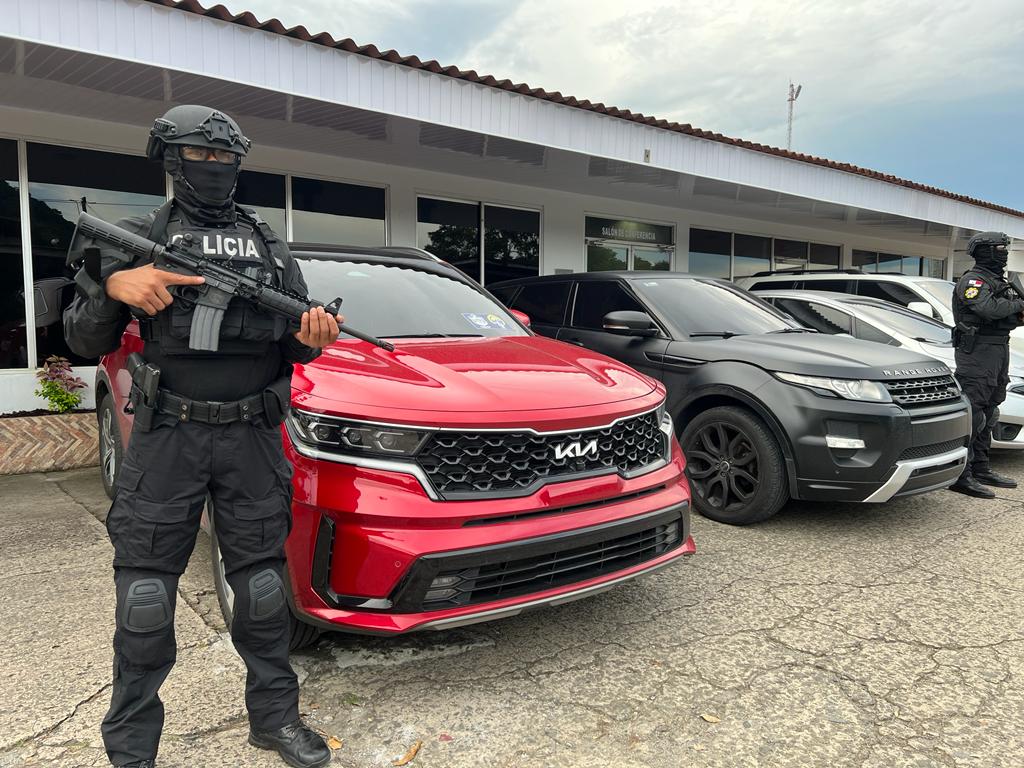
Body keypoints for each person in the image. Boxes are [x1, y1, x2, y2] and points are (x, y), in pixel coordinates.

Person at [64, 105, 339, 768]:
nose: (213, 167)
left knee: (264, 591)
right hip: (169, 436)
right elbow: (83, 339)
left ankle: (275, 720)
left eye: (224, 158)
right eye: (199, 155)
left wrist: (314, 337)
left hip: (252, 438)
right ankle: (132, 749)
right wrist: (113, 286)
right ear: (170, 159)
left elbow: (295, 345)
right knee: (146, 598)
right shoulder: (139, 237)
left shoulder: (269, 246)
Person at [949, 230, 1023, 499]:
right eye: (1000, 249)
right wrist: (1016, 304)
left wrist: (1012, 308)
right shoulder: (973, 280)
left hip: (999, 348)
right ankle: (962, 475)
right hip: (977, 350)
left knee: (991, 411)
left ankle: (981, 467)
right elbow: (989, 309)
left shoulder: (1000, 282)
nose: (1004, 254)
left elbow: (1012, 315)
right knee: (975, 412)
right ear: (986, 251)